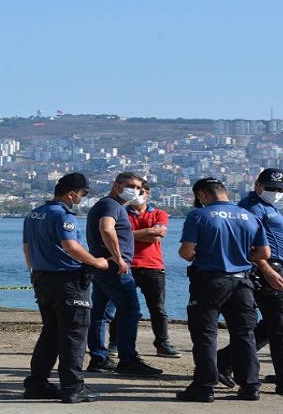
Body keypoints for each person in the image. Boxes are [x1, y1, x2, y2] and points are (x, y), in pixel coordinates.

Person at [215, 169, 283, 397]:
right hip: (269, 269)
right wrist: (267, 270)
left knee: (270, 324)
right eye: (271, 188)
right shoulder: (252, 208)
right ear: (257, 185)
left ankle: (223, 360)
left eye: (280, 189)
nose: (276, 193)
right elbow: (247, 243)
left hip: (277, 269)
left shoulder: (265, 207)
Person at [176, 177, 270, 402]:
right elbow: (264, 253)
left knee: (206, 336)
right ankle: (250, 387)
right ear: (225, 193)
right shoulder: (250, 216)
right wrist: (241, 257)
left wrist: (204, 256)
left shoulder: (198, 215)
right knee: (244, 336)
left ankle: (204, 386)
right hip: (242, 283)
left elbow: (186, 252)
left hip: (210, 282)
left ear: (202, 196)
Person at [22, 172, 109, 403]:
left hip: (43, 280)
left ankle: (37, 384)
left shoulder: (34, 214)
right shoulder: (62, 215)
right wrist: (96, 261)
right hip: (68, 282)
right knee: (74, 335)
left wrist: (35, 278)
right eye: (81, 194)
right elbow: (71, 246)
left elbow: (27, 249)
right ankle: (73, 387)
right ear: (71, 194)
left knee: (50, 334)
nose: (81, 198)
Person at [85, 172, 163, 376]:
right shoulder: (112, 205)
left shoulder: (108, 205)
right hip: (114, 267)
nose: (135, 191)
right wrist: (118, 257)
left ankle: (99, 359)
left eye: (138, 188)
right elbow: (106, 229)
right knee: (130, 310)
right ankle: (128, 359)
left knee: (100, 314)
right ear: (116, 185)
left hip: (102, 267)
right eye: (130, 186)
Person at [126, 180, 181, 358]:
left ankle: (162, 343)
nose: (136, 194)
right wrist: (148, 231)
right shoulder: (121, 213)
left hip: (153, 266)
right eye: (133, 190)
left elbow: (156, 238)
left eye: (140, 191)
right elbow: (120, 235)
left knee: (158, 308)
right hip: (127, 265)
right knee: (123, 307)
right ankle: (116, 343)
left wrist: (133, 234)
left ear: (147, 193)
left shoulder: (159, 213)